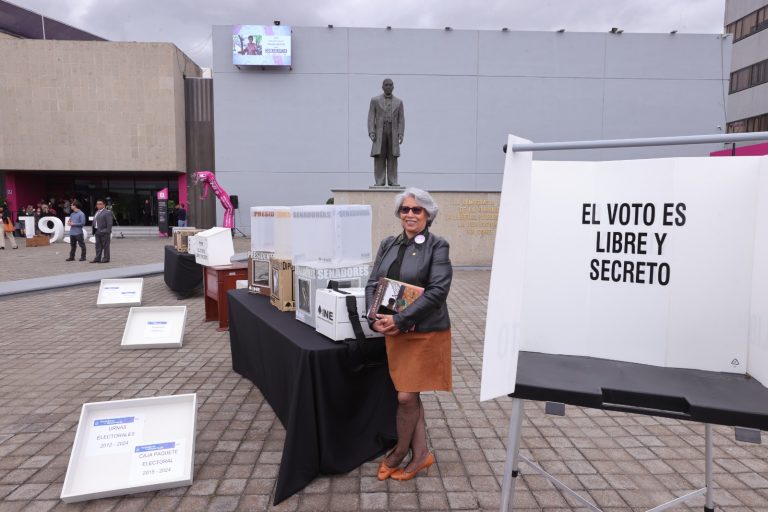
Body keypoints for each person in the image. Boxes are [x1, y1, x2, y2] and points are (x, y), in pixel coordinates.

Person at [365, 187, 452, 481]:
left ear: (428, 214)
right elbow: (372, 284)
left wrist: (400, 320)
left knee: (404, 396)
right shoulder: (388, 243)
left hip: (423, 331)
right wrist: (373, 317)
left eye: (417, 210)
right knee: (409, 391)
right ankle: (422, 455)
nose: (410, 214)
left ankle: (399, 452)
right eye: (405, 209)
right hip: (393, 330)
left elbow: (438, 292)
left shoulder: (437, 246)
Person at [368, 78, 405, 187]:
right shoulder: (375, 100)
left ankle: (393, 180)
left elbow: (401, 119)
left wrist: (401, 133)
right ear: (383, 87)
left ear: (393, 87)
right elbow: (371, 117)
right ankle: (380, 180)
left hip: (393, 132)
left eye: (390, 85)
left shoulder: (399, 102)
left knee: (392, 157)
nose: (388, 87)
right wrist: (371, 131)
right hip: (380, 132)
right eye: (386, 85)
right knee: (379, 156)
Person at [91, 199, 113, 263]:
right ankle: (97, 258)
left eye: (100, 204)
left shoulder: (107, 212)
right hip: (97, 231)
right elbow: (95, 221)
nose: (98, 205)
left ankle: (106, 258)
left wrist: (106, 231)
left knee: (106, 246)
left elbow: (109, 223)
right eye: (97, 204)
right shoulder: (97, 212)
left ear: (104, 205)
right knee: (97, 246)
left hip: (104, 232)